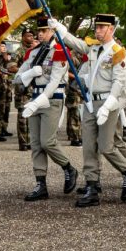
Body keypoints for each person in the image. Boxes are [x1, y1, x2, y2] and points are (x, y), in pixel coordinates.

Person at [49, 14, 126, 208]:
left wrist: (107, 106)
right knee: (89, 146)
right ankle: (92, 185)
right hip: (91, 103)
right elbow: (76, 43)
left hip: (109, 103)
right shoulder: (93, 48)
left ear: (111, 29)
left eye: (102, 27)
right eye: (96, 27)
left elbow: (119, 83)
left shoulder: (118, 52)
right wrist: (60, 29)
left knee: (106, 146)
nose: (97, 31)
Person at [14, 17, 78, 201]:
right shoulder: (32, 53)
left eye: (44, 31)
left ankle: (68, 168)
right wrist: (30, 73)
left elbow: (56, 80)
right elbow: (17, 79)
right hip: (35, 97)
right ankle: (41, 184)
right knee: (35, 144)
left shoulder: (59, 51)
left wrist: (40, 99)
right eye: (39, 31)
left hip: (52, 98)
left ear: (52, 31)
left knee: (47, 142)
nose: (40, 34)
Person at [8, 27, 35, 151]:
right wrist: (28, 71)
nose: (31, 38)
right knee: (23, 117)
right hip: (23, 88)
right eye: (28, 35)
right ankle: (23, 143)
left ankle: (31, 141)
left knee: (32, 115)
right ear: (23, 37)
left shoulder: (35, 51)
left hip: (33, 88)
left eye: (32, 36)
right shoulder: (19, 51)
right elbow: (11, 67)